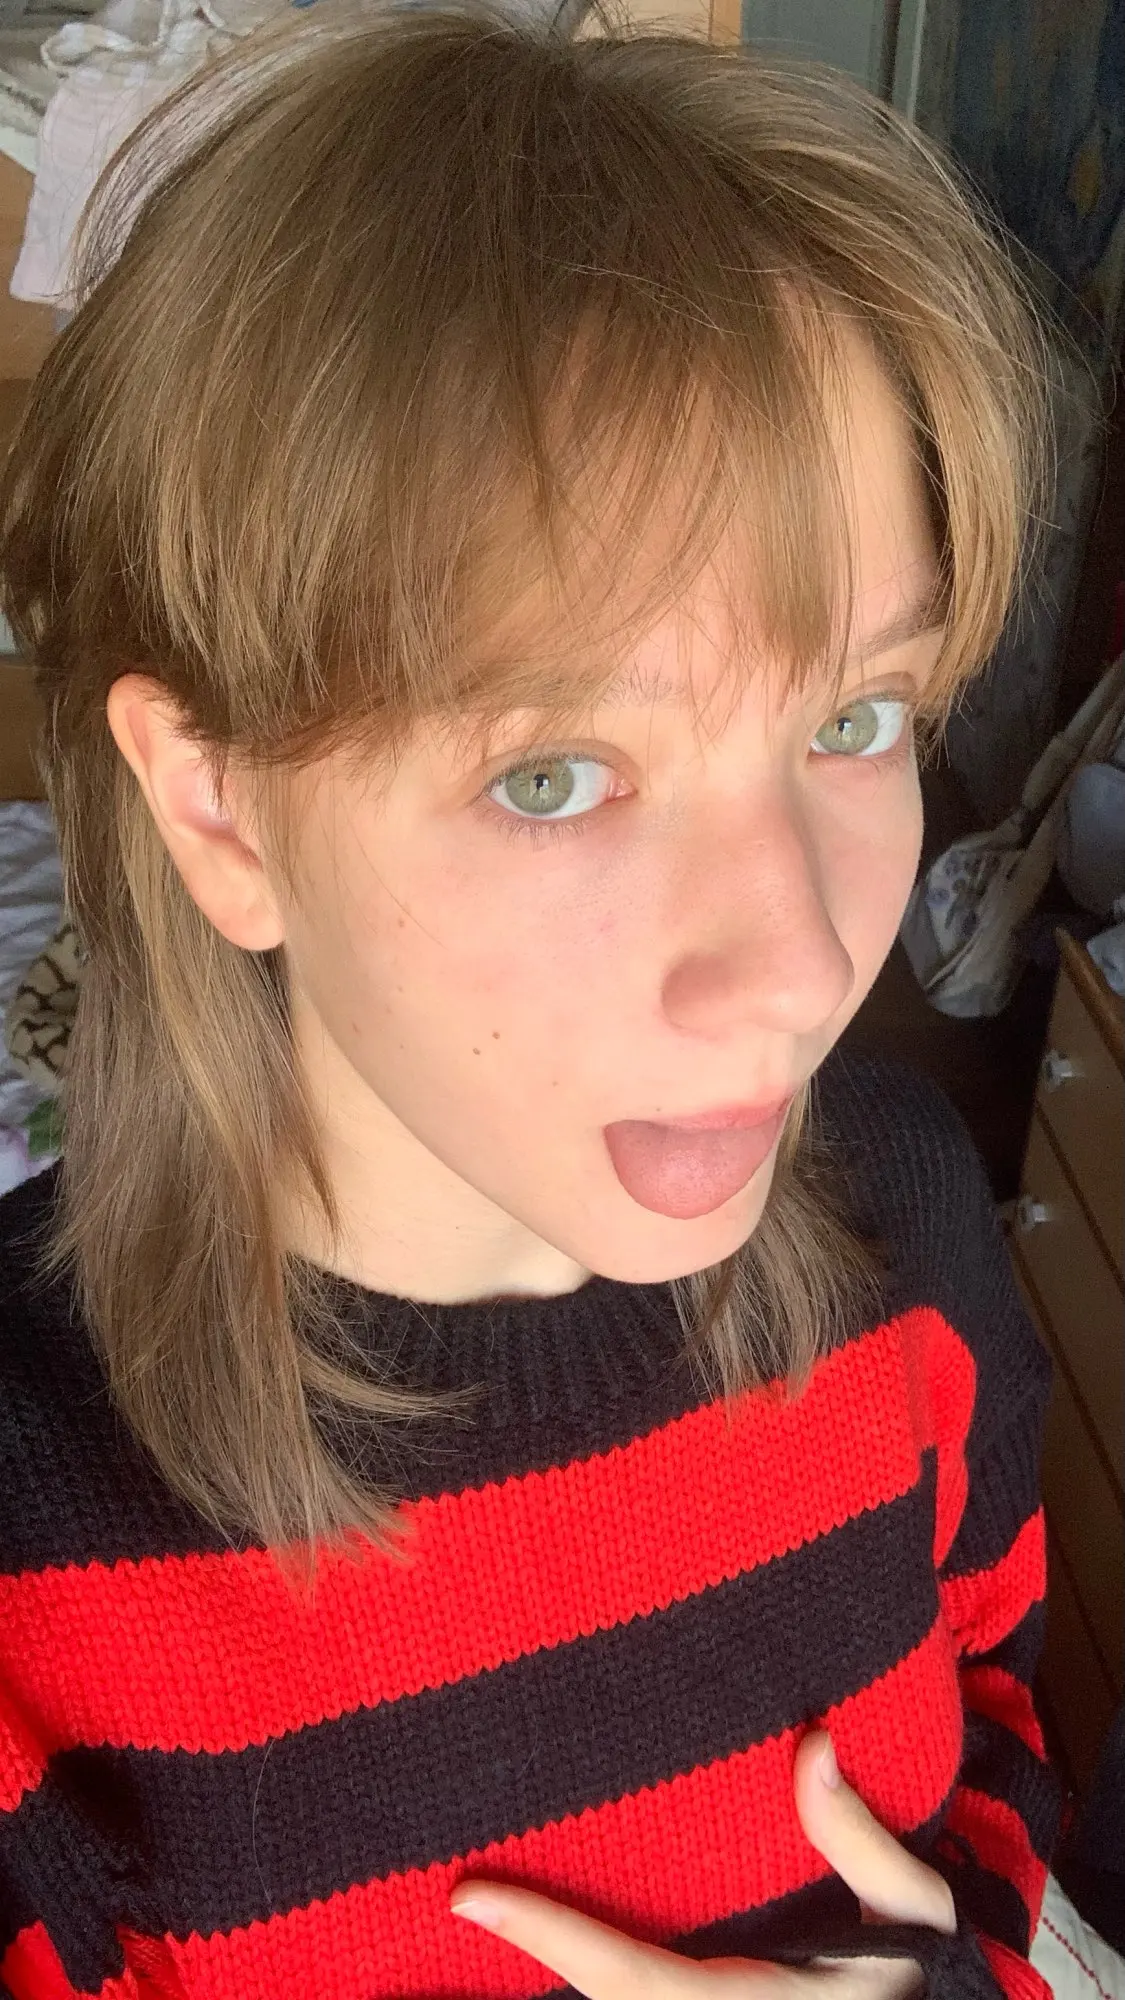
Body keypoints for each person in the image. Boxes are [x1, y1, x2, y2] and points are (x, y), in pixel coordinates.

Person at [0, 5, 1060, 1997]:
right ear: (219, 810)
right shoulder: (33, 1560)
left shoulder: (914, 1220)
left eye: (853, 717)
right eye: (554, 774)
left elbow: (997, 1730)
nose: (799, 967)